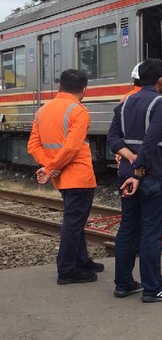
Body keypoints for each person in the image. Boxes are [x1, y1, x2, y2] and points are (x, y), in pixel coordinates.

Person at [107, 58, 162, 303]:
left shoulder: (126, 101)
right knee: (151, 232)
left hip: (125, 174)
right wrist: (139, 171)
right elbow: (151, 140)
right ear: (161, 79)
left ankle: (124, 284)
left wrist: (129, 158)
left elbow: (113, 138)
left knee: (128, 228)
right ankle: (152, 288)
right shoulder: (160, 103)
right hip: (151, 176)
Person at [27, 69, 103, 285]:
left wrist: (50, 167)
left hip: (61, 178)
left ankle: (82, 260)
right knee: (73, 223)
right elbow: (71, 147)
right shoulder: (79, 111)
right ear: (84, 90)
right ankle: (67, 270)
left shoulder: (42, 110)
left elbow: (33, 145)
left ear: (60, 87)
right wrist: (52, 167)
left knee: (75, 220)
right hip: (79, 176)